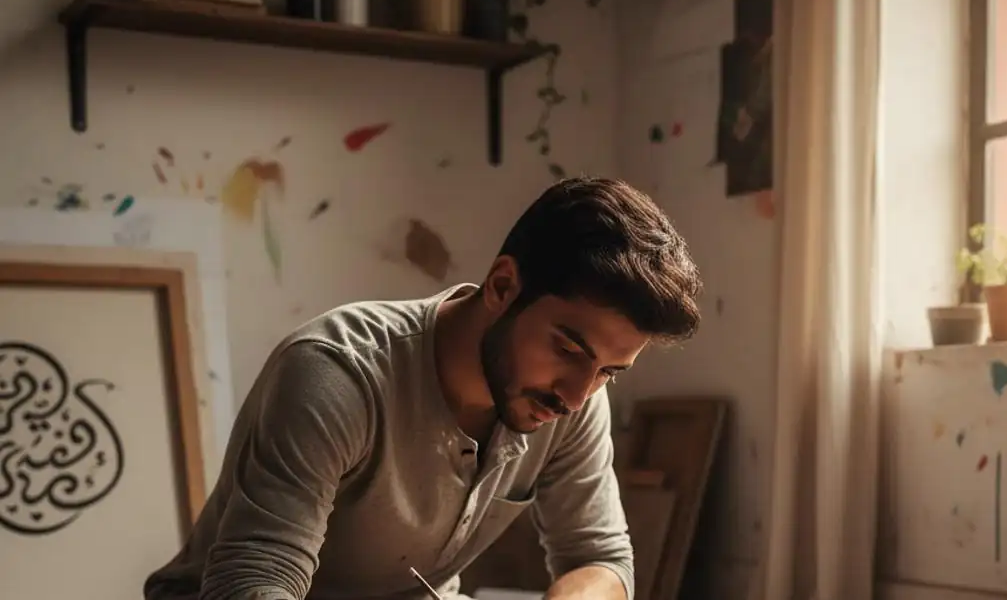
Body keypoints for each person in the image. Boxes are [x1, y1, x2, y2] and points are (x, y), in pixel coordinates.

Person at [144, 176, 703, 600]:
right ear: (504, 285)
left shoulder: (574, 398)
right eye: (569, 350)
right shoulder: (338, 373)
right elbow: (257, 576)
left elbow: (600, 557)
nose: (578, 395)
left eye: (609, 371)